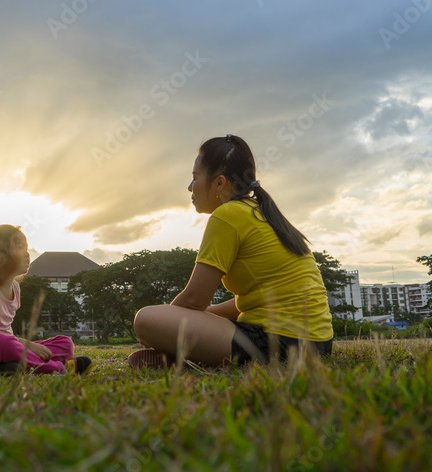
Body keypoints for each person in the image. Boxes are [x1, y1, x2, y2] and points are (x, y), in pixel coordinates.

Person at [130, 134, 333, 368]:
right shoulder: (259, 211)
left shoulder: (228, 215)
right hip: (318, 345)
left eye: (195, 178)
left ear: (219, 183)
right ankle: (190, 357)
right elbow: (250, 301)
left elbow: (195, 300)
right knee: (164, 319)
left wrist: (161, 329)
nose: (190, 187)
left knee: (145, 319)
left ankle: (189, 357)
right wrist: (203, 318)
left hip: (278, 342)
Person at [0, 225, 91, 375]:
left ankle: (11, 366)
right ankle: (57, 368)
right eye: (20, 247)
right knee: (1, 342)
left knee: (65, 343)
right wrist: (27, 344)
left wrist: (26, 346)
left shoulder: (15, 288)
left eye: (27, 248)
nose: (27, 254)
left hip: (10, 347)